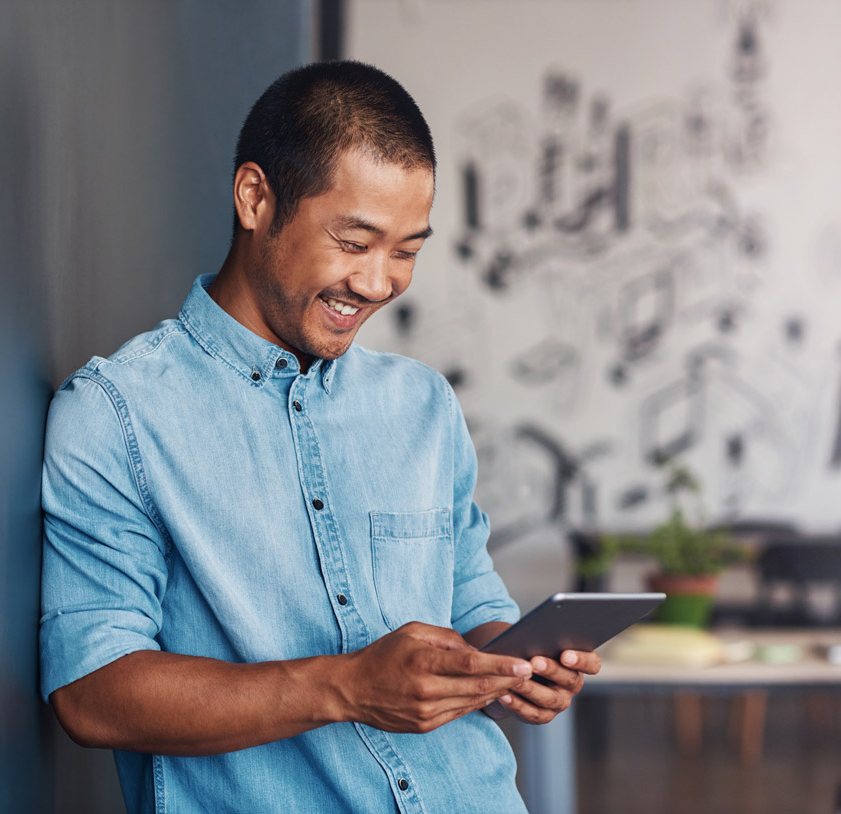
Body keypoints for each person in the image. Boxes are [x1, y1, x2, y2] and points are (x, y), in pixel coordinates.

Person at [39, 60, 600, 813]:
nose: (378, 283)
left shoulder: (424, 405)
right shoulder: (118, 413)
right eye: (355, 240)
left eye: (406, 250)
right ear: (255, 198)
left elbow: (471, 604)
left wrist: (513, 664)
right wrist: (346, 687)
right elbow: (91, 693)